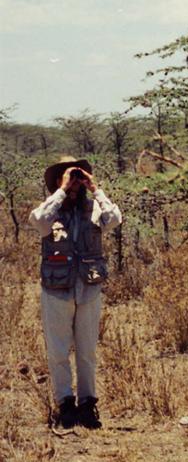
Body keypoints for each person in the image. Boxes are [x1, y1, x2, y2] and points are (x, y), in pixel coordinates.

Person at [29, 156, 122, 429]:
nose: (74, 182)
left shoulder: (94, 208)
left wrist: (95, 188)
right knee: (58, 352)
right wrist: (61, 192)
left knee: (86, 352)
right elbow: (38, 220)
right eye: (67, 177)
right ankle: (65, 404)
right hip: (56, 290)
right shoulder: (50, 210)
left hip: (88, 289)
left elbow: (115, 219)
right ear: (57, 181)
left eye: (77, 177)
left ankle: (88, 403)